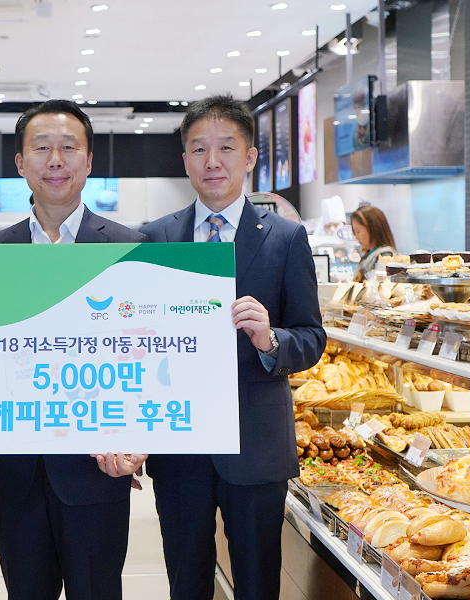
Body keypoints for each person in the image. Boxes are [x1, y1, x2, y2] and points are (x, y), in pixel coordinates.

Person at [140, 95, 326, 600]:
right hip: (179, 443)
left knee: (258, 581)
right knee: (186, 581)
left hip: (256, 444)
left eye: (226, 147)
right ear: (185, 160)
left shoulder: (286, 238)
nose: (213, 161)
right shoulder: (155, 238)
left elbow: (312, 337)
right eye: (199, 149)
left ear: (250, 157)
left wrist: (270, 338)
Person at [0, 99, 148, 600]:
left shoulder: (130, 249)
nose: (55, 160)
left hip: (98, 470)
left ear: (89, 161)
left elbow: (147, 356)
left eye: (69, 148)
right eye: (41, 148)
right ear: (20, 162)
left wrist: (141, 438)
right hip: (16, 476)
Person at [349, 204, 397, 283]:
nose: (356, 237)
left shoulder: (385, 256)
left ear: (372, 228)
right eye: (354, 232)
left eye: (358, 231)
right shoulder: (369, 256)